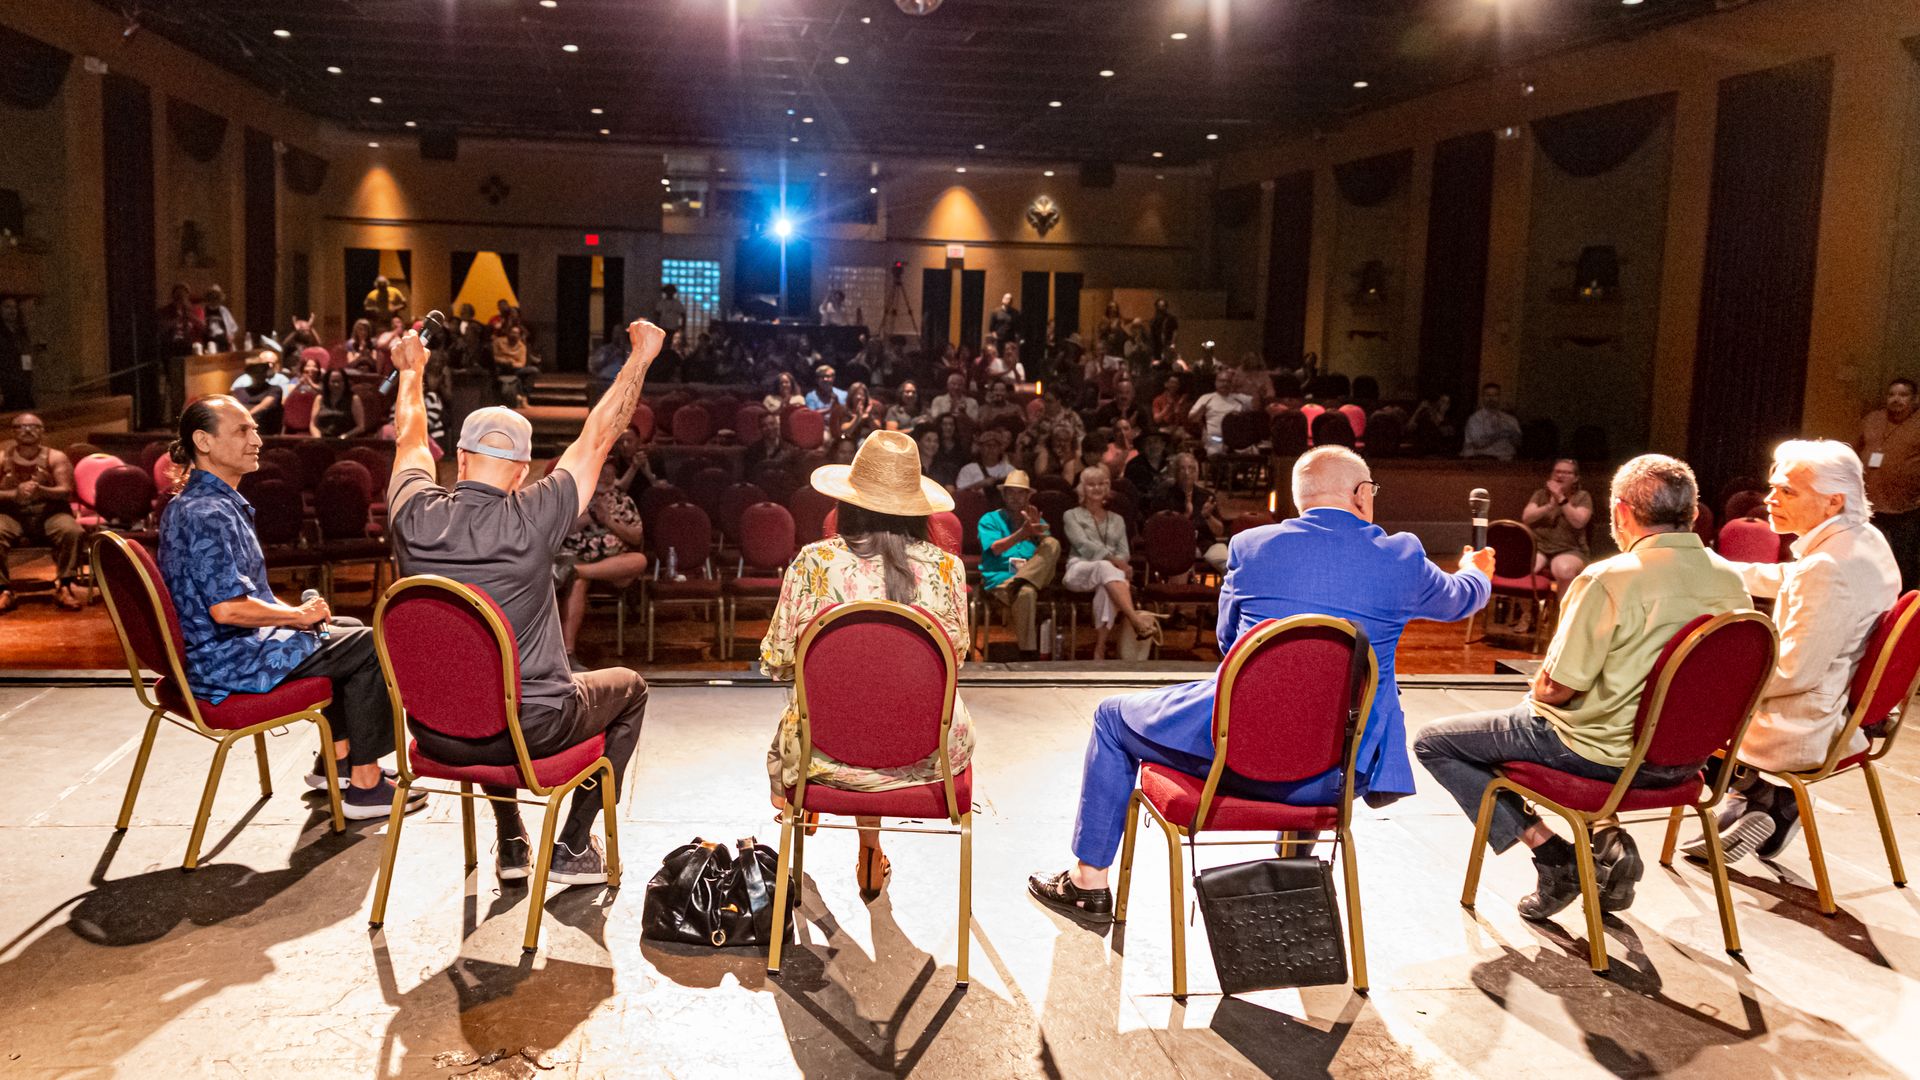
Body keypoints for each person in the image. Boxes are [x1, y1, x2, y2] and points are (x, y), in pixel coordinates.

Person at [1029, 446, 1495, 921]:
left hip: (1239, 757)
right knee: (1321, 712)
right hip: (1339, 769)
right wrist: (1478, 571)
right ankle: (1295, 872)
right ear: (1360, 494)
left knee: (1112, 719)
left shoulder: (1252, 547)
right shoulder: (1402, 557)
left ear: (1301, 500)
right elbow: (1462, 600)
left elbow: (1233, 644)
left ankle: (1089, 883)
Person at [382, 318, 663, 885]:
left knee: (482, 682)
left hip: (434, 728)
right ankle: (573, 844)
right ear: (522, 472)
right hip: (528, 727)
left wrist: (410, 373)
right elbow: (599, 435)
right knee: (629, 689)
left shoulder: (410, 515)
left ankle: (511, 837)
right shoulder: (534, 515)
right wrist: (639, 360)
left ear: (458, 460)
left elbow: (411, 439)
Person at [1414, 454, 1746, 919]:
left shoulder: (1609, 579)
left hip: (1602, 757)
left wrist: (1537, 699)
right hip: (1688, 763)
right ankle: (1604, 836)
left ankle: (1555, 858)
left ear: (1622, 513)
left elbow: (1555, 690)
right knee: (1600, 710)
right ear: (1692, 515)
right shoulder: (1732, 580)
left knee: (1435, 742)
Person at [156, 396, 423, 818]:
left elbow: (246, 596)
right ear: (203, 441)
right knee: (371, 643)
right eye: (243, 430)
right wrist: (297, 617)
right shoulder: (208, 512)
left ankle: (335, 765)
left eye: (255, 429)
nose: (257, 439)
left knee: (346, 625)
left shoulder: (199, 502)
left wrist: (300, 617)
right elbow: (228, 610)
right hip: (227, 662)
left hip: (219, 651)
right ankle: (366, 784)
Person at [760, 430, 972, 900]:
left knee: (829, 713)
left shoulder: (812, 563)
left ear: (849, 503)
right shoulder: (946, 569)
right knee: (886, 704)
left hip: (826, 752)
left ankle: (797, 812)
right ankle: (870, 850)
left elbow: (776, 661)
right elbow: (953, 658)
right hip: (925, 757)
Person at [1683, 440, 1900, 864]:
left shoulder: (1827, 567)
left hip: (1801, 723)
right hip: (1841, 707)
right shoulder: (1862, 538)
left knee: (1670, 702)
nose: (1769, 500)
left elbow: (1794, 671)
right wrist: (1723, 569)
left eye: (1787, 491)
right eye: (1772, 487)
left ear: (1832, 501)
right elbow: (1794, 579)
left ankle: (1764, 796)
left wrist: (1716, 677)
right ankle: (1753, 801)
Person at [1061, 465, 1160, 660]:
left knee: (1107, 587)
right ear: (1082, 488)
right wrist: (1116, 562)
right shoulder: (1071, 515)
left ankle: (1100, 648)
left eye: (1101, 484)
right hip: (1078, 569)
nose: (1096, 488)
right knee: (1109, 570)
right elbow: (1083, 545)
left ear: (1107, 488)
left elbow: (1124, 552)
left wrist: (1119, 563)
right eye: (1091, 485)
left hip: (1109, 576)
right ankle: (1135, 619)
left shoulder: (1117, 520)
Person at [558, 453, 650, 660]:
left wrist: (609, 521)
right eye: (601, 473)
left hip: (612, 564)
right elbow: (558, 530)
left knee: (639, 560)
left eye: (610, 475)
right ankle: (568, 654)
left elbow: (636, 537)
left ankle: (572, 572)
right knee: (579, 582)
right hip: (577, 556)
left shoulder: (622, 499)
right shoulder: (576, 496)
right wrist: (590, 517)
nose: (606, 479)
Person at [0, 413, 84, 613]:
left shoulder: (56, 457)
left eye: (33, 426)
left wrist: (41, 490)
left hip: (49, 513)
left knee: (73, 532)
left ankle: (64, 586)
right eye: (21, 427)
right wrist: (15, 494)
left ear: (42, 431)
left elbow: (66, 491)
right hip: (13, 514)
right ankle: (4, 590)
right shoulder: (3, 458)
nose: (27, 430)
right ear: (13, 432)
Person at [977, 470, 1061, 659]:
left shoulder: (1035, 519)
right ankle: (1028, 652)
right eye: (1011, 492)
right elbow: (996, 549)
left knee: (1052, 543)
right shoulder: (990, 519)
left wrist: (1037, 535)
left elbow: (1049, 552)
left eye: (1020, 493)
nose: (1015, 497)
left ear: (1028, 496)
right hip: (1001, 580)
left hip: (1030, 577)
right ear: (1004, 495)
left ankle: (1019, 581)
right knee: (1026, 592)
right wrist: (1021, 534)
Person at [1856, 376, 1920, 589]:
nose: (1896, 399)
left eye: (1903, 395)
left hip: (1906, 507)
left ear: (1915, 399)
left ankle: (1904, 609)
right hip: (1870, 504)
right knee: (1867, 558)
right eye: (1892, 394)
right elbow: (1855, 450)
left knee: (1903, 562)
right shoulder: (1873, 419)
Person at [1152, 451, 1228, 575]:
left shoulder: (1207, 496)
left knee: (1231, 567)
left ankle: (1220, 594)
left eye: (1191, 469)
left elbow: (1219, 531)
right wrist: (1187, 515)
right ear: (1175, 473)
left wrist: (1208, 516)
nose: (1187, 473)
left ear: (1197, 473)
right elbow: (1164, 530)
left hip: (1205, 545)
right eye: (1182, 469)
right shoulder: (1165, 497)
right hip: (1176, 547)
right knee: (1180, 565)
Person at [1522, 458, 1594, 585]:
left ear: (1575, 478)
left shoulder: (1583, 496)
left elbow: (1579, 522)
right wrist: (1549, 506)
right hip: (1539, 548)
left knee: (1564, 570)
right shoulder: (1540, 494)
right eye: (1557, 472)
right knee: (1523, 568)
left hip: (1570, 549)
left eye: (1566, 473)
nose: (1560, 475)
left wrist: (1561, 498)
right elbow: (1527, 518)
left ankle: (1563, 605)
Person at [1186, 369, 1251, 457]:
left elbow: (1257, 408)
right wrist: (1202, 409)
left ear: (1232, 383)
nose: (1225, 384)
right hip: (1216, 439)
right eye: (1222, 381)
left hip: (1237, 441)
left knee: (1252, 452)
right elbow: (1192, 419)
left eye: (1228, 381)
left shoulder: (1241, 398)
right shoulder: (1206, 398)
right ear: (1216, 382)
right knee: (1215, 452)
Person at [1461, 382, 1522, 461]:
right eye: (1488, 395)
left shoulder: (1510, 419)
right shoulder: (1474, 419)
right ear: (1483, 397)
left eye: (1495, 395)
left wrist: (1511, 434)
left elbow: (1519, 444)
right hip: (1483, 460)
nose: (1491, 398)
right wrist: (1500, 434)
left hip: (1509, 460)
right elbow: (1478, 443)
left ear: (1499, 397)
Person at [229, 352, 284, 436]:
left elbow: (264, 406)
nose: (259, 374)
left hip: (266, 435)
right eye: (255, 370)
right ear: (249, 373)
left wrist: (246, 418)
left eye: (262, 370)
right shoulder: (238, 391)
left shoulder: (275, 389)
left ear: (266, 372)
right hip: (242, 432)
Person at [0, 295, 37, 409]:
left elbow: (26, 358)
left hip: (22, 385)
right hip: (6, 387)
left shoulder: (21, 333)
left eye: (14, 308)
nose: (12, 311)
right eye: (7, 307)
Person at [493, 323, 537, 406]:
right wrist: (505, 361)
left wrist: (512, 363)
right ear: (508, 333)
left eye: (516, 333)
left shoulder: (521, 346)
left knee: (533, 371)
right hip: (500, 367)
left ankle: (524, 396)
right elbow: (494, 357)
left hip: (514, 368)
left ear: (519, 335)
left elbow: (522, 363)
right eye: (512, 332)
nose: (514, 335)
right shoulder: (498, 342)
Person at [311, 369, 361, 439]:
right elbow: (313, 424)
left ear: (345, 382)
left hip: (345, 439)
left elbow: (360, 426)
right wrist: (318, 439)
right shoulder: (319, 398)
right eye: (333, 381)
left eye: (340, 381)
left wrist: (344, 437)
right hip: (322, 439)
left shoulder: (354, 399)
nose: (336, 384)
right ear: (327, 383)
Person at [201, 285, 240, 353]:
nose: (214, 298)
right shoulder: (203, 310)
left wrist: (231, 337)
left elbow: (233, 327)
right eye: (212, 296)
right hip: (208, 344)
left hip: (223, 343)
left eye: (216, 296)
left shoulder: (223, 310)